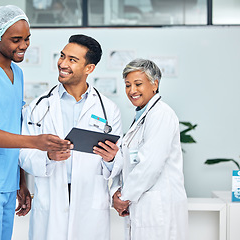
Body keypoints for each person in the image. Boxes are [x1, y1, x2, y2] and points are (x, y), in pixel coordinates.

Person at [0, 5, 72, 240]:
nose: (24, 45)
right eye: (16, 39)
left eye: (27, 38)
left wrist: (21, 180)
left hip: (7, 180)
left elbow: (12, 127)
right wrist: (36, 142)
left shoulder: (17, 74)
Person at [19, 34, 123, 240]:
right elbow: (23, 155)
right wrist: (48, 157)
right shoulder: (38, 107)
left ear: (89, 68)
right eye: (62, 56)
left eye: (72, 60)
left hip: (89, 201)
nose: (62, 64)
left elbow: (115, 166)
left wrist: (112, 158)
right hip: (51, 199)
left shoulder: (109, 110)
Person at [111, 59, 188, 240]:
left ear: (155, 84)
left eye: (138, 84)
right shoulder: (142, 117)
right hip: (145, 205)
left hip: (159, 208)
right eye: (128, 85)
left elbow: (150, 164)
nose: (132, 91)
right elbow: (132, 161)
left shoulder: (161, 114)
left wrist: (125, 197)